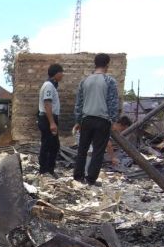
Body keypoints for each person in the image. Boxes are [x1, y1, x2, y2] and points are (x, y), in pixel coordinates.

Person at [73, 54, 120, 186]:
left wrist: (78, 121)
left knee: (82, 149)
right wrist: (113, 120)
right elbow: (112, 103)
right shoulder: (109, 81)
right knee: (98, 152)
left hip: (86, 119)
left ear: (95, 64)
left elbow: (79, 103)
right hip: (102, 120)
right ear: (107, 65)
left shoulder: (85, 81)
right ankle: (90, 179)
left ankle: (78, 177)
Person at [38, 63, 65, 178]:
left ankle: (48, 169)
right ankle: (44, 170)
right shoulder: (49, 85)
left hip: (48, 118)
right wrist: (52, 123)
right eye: (61, 72)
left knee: (52, 145)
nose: (62, 75)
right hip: (47, 118)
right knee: (49, 145)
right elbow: (47, 103)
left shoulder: (51, 85)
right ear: (57, 73)